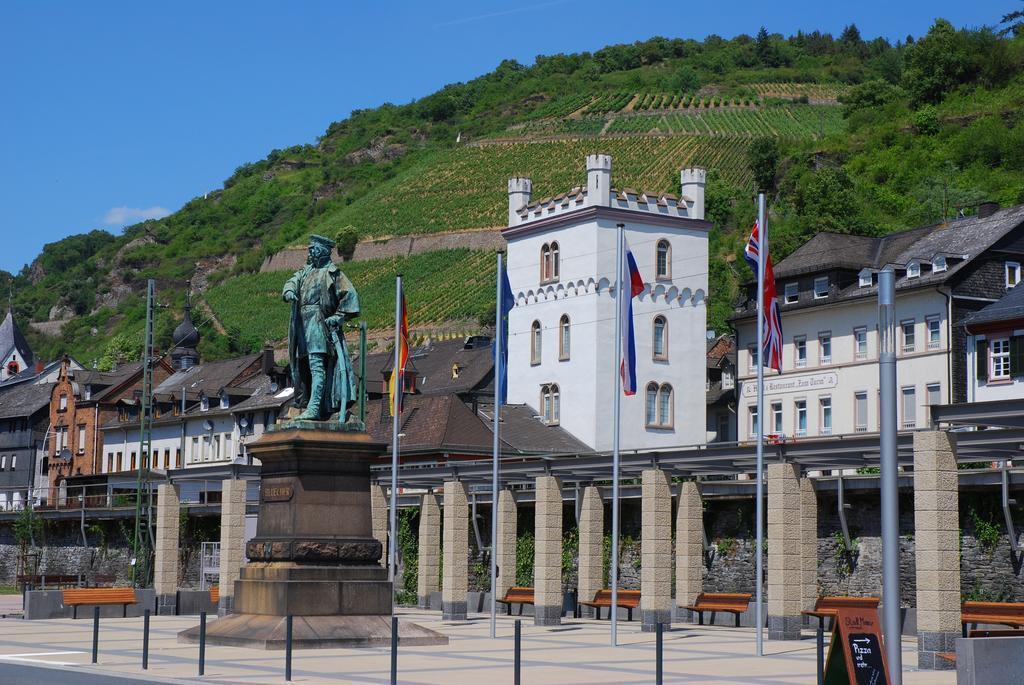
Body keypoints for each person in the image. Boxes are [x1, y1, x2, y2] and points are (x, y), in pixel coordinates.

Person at [282, 234, 360, 422]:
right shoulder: (305, 271)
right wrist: (289, 291)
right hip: (301, 324)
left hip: (318, 323)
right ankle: (307, 402)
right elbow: (291, 281)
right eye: (309, 248)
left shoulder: (333, 273)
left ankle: (315, 408)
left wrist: (338, 317)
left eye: (313, 248)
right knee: (304, 366)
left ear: (324, 251)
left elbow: (351, 297)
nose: (310, 251)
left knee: (317, 365)